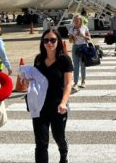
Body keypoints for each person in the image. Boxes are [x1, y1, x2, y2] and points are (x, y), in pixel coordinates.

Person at [28, 28, 73, 163]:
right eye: (46, 40)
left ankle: (63, 152)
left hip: (58, 105)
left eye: (53, 40)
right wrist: (26, 80)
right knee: (41, 143)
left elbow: (68, 84)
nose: (49, 43)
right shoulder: (39, 59)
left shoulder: (64, 60)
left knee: (58, 136)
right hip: (39, 107)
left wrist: (64, 102)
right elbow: (35, 80)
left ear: (58, 41)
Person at [68, 15, 90, 91]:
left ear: (80, 21)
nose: (75, 22)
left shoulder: (85, 28)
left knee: (83, 65)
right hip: (75, 47)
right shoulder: (72, 29)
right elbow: (70, 41)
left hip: (83, 47)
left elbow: (89, 38)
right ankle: (75, 83)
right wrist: (75, 37)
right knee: (76, 66)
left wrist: (83, 35)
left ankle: (83, 81)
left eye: (77, 20)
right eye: (74, 20)